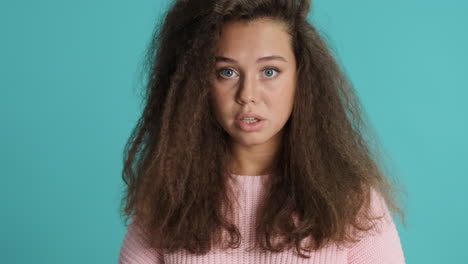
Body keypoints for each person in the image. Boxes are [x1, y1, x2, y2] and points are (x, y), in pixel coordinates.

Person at [118, 0, 407, 263]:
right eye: (227, 72)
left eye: (269, 71)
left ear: (301, 78)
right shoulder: (166, 202)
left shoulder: (353, 203)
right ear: (197, 85)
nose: (247, 95)